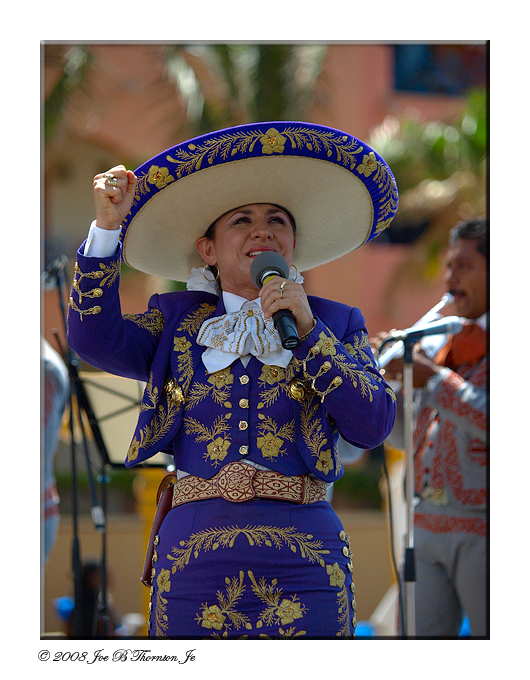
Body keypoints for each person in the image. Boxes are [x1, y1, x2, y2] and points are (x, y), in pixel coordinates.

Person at [67, 121, 398, 639]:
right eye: (242, 220)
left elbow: (374, 424)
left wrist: (309, 334)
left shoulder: (335, 322)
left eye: (277, 221)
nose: (262, 231)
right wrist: (107, 229)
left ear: (292, 245)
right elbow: (93, 338)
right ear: (208, 251)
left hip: (306, 559)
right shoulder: (176, 322)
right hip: (194, 555)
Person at [381, 217, 488, 637]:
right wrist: (389, 383)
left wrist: (435, 379)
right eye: (449, 266)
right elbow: (401, 436)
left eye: (464, 265)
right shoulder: (437, 344)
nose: (450, 277)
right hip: (424, 525)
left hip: (486, 528)